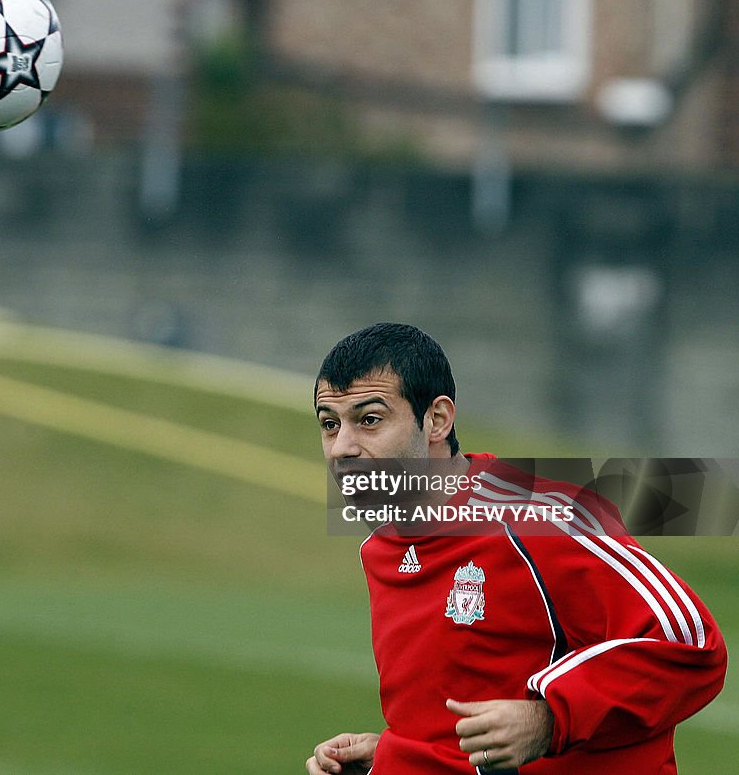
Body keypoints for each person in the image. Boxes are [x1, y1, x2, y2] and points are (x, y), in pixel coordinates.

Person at [306, 323, 727, 775]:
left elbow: (691, 642)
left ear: (437, 420)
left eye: (369, 419)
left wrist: (548, 717)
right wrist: (393, 756)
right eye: (330, 425)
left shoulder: (545, 518)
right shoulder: (380, 549)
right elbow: (462, 727)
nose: (342, 448)